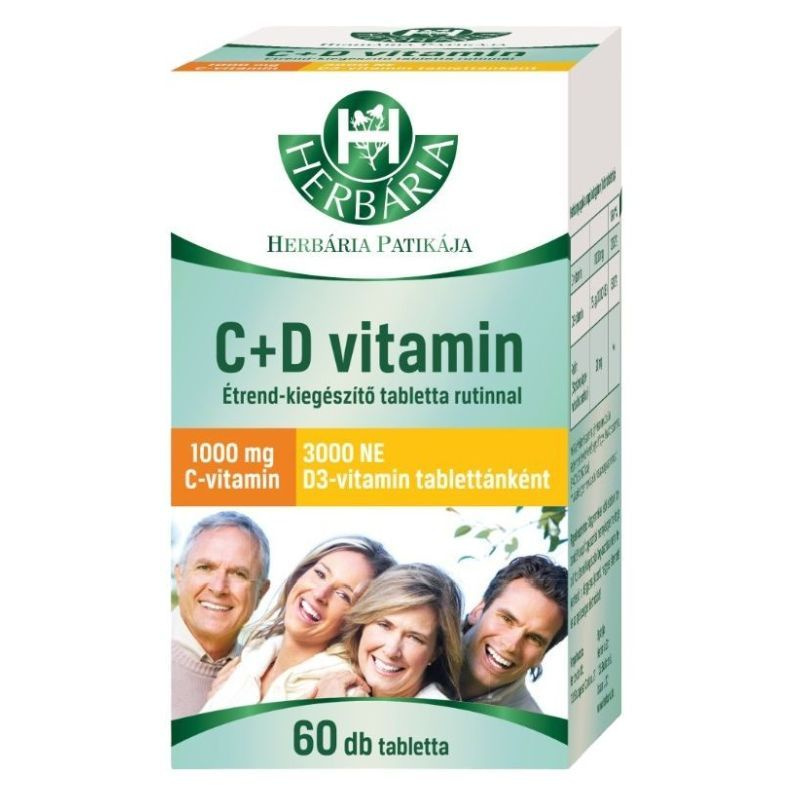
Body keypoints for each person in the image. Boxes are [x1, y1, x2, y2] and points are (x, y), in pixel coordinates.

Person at [202, 536, 395, 712]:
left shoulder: (343, 696)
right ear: (299, 576)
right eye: (320, 574)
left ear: (357, 621)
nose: (320, 594)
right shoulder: (244, 666)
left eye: (343, 595)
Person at [172, 511, 271, 719]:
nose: (218, 588)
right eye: (205, 567)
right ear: (179, 575)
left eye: (239, 574)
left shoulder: (265, 677)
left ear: (261, 592)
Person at [315, 563, 464, 700]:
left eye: (414, 638)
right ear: (363, 621)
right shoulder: (329, 672)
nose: (391, 651)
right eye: (384, 625)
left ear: (435, 653)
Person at [459, 555, 568, 712]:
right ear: (478, 610)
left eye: (534, 638)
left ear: (542, 655)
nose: (511, 645)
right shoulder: (424, 639)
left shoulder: (527, 726)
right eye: (507, 619)